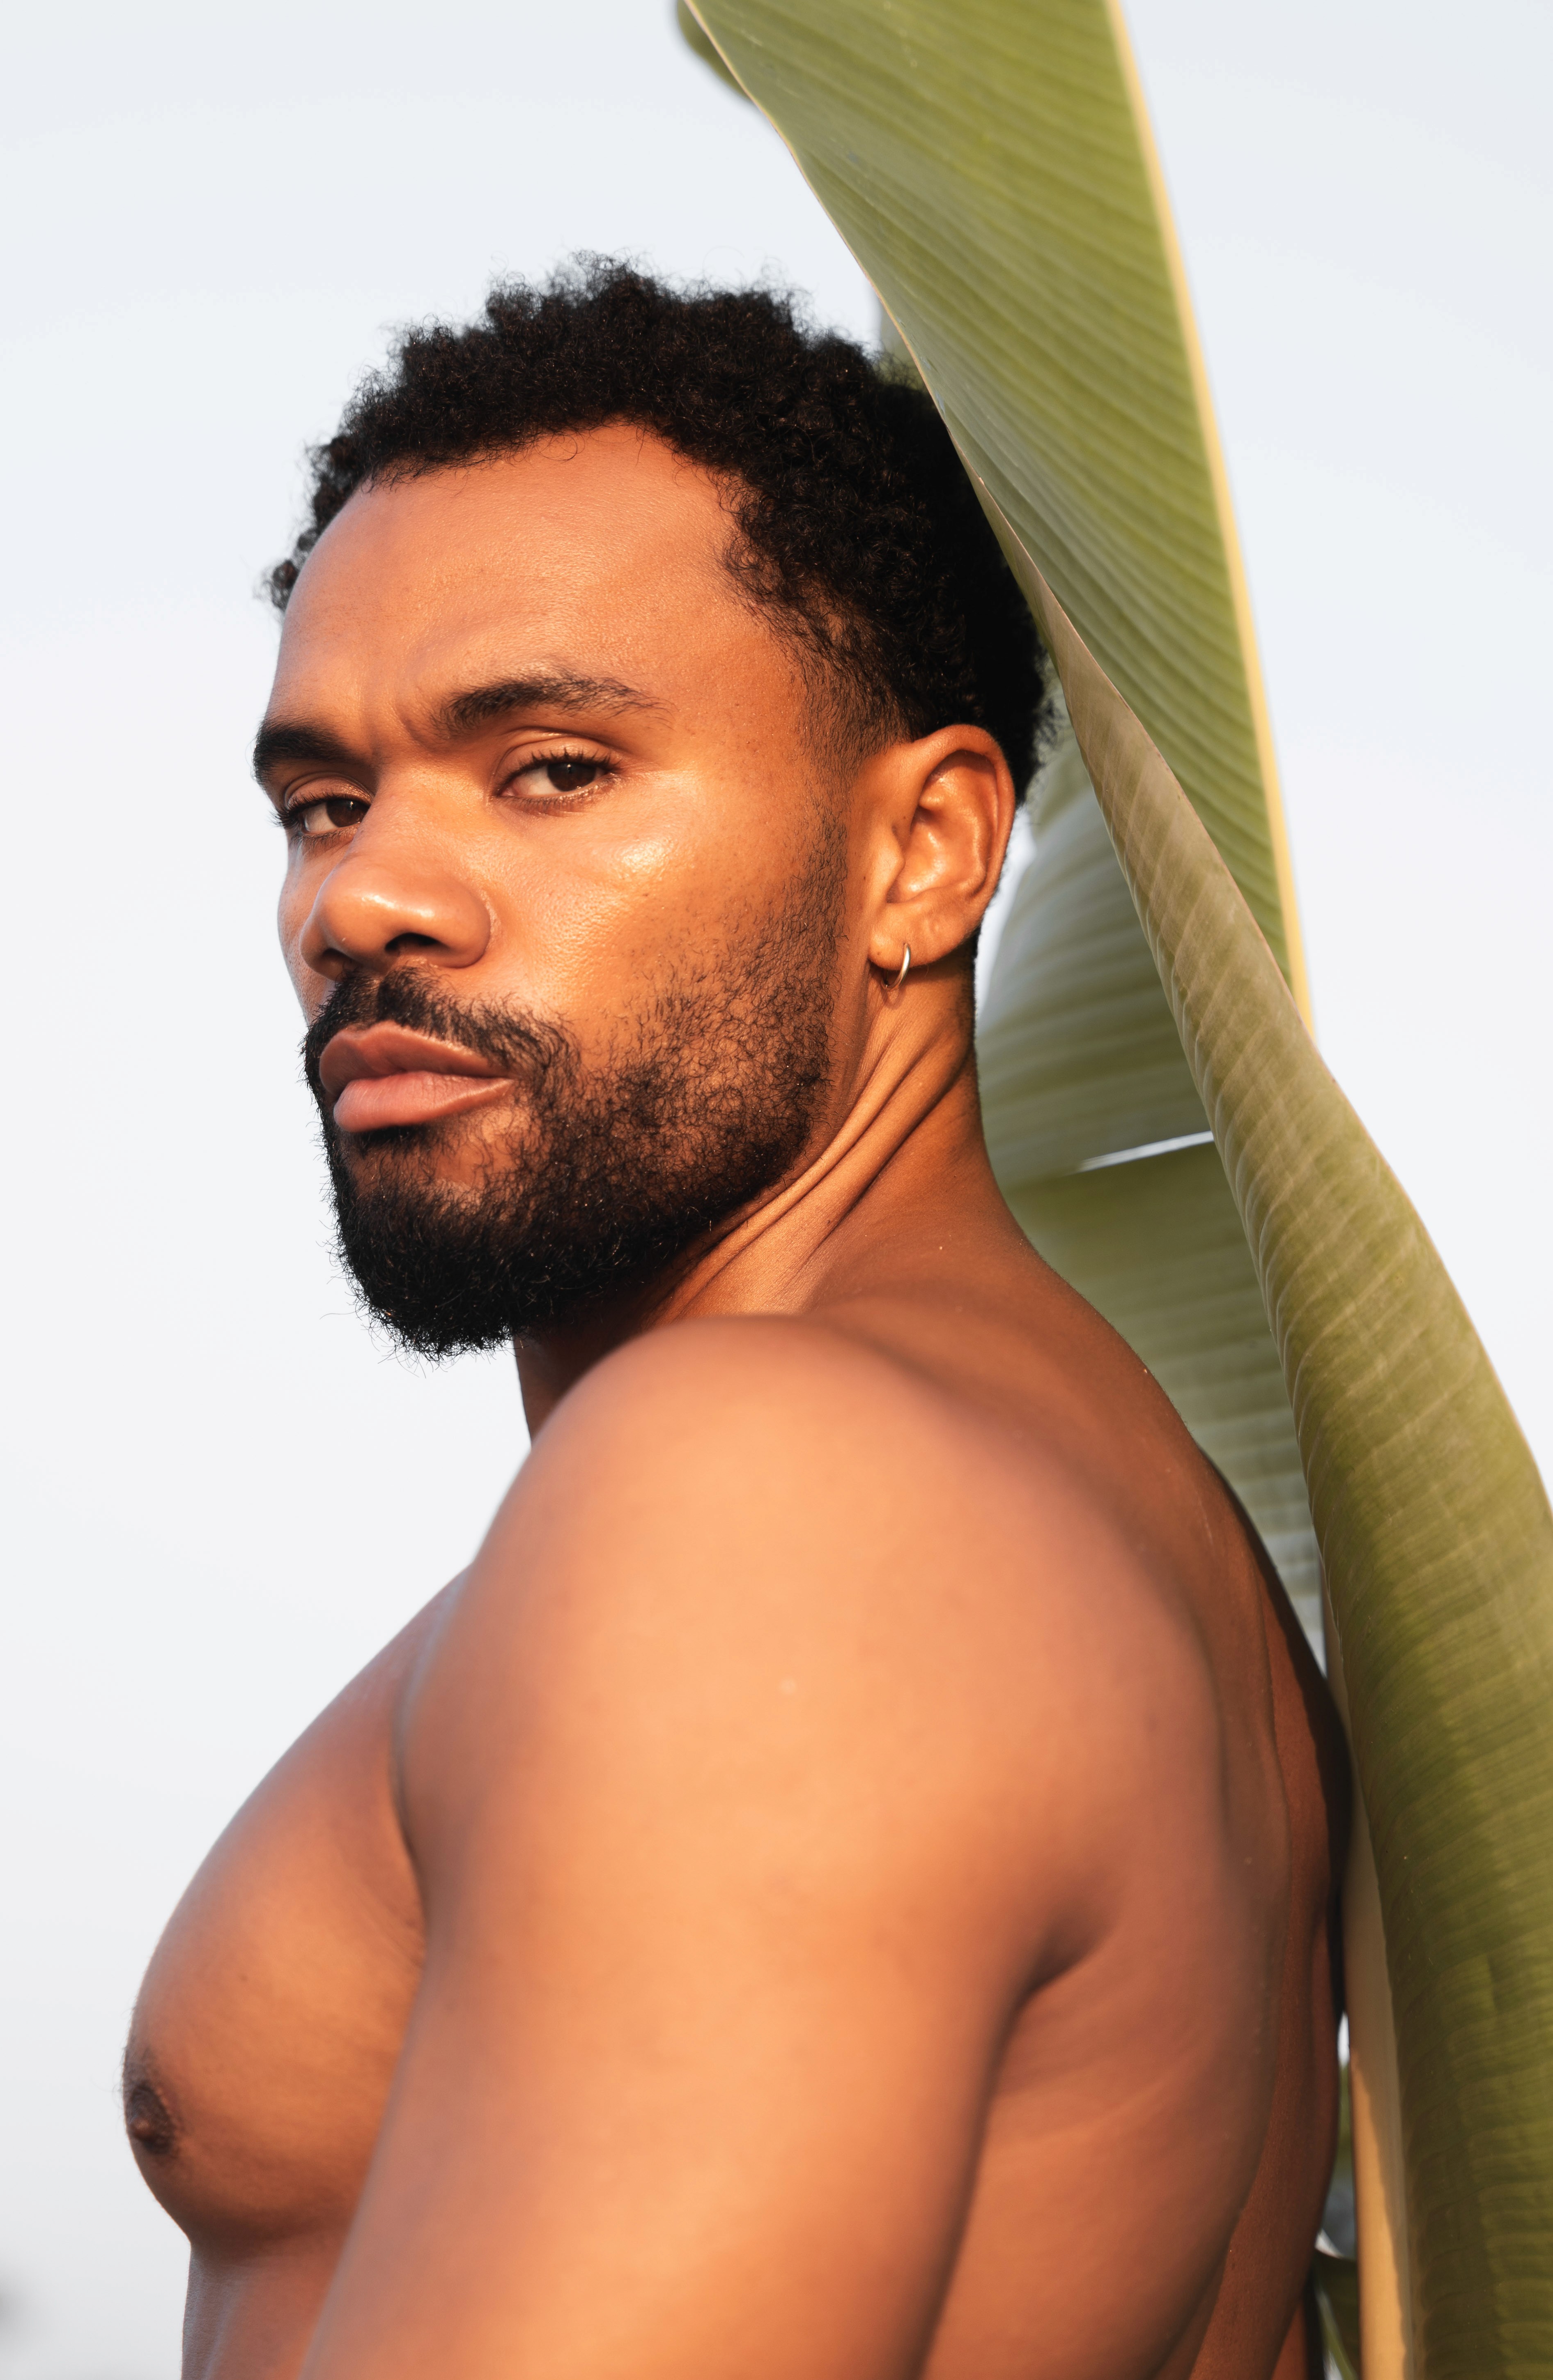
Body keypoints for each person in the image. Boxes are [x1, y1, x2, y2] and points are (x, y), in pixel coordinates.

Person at [122, 260, 1348, 2380]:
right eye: (325, 802)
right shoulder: (1073, 1510)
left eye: (551, 768)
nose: (361, 901)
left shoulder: (771, 1499)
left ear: (925, 852)